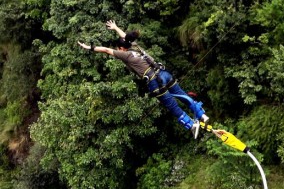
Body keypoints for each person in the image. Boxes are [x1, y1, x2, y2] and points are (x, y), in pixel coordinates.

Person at [77, 20, 209, 139]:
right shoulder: (135, 46)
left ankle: (191, 125)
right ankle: (202, 115)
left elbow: (106, 50)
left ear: (121, 49)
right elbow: (125, 37)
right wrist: (116, 27)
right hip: (163, 73)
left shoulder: (126, 54)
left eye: (119, 49)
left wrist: (89, 47)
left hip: (154, 81)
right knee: (182, 95)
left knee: (172, 106)